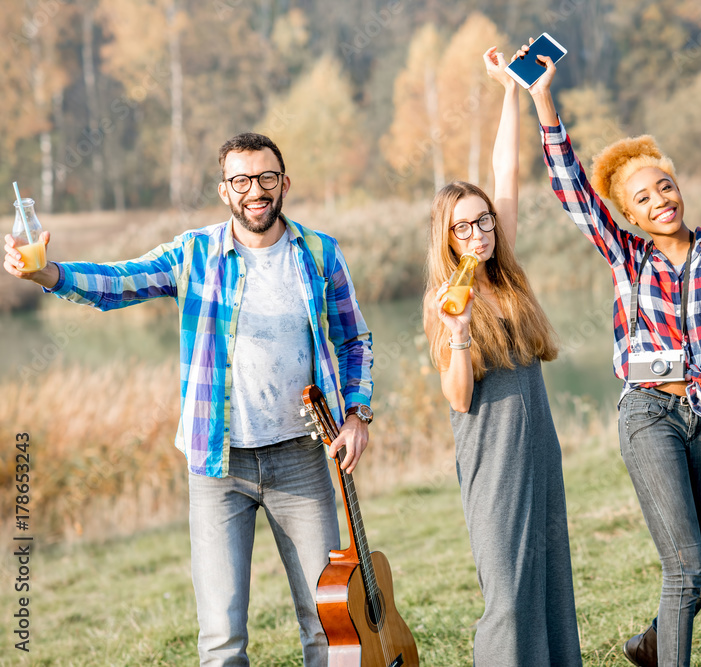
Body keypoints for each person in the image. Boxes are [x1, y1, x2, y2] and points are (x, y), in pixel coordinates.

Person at [3, 132, 374, 667]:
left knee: (329, 624)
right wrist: (50, 274)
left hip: (302, 459)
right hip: (217, 467)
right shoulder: (193, 254)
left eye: (266, 178)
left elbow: (355, 339)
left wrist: (358, 413)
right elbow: (120, 282)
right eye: (241, 180)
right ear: (225, 191)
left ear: (284, 183)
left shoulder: (318, 253)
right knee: (221, 640)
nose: (255, 191)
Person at [522, 46, 701, 667]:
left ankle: (653, 644)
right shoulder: (630, 260)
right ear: (628, 215)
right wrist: (543, 97)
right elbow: (574, 191)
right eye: (644, 197)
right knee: (683, 565)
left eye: (666, 185)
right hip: (650, 414)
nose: (660, 199)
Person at [422, 47, 582, 666]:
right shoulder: (449, 299)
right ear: (446, 235)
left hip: (539, 442)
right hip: (491, 456)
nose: (479, 232)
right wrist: (458, 330)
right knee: (508, 596)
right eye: (464, 226)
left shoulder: (505, 272)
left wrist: (511, 90)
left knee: (549, 582)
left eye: (484, 220)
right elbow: (458, 397)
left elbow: (504, 170)